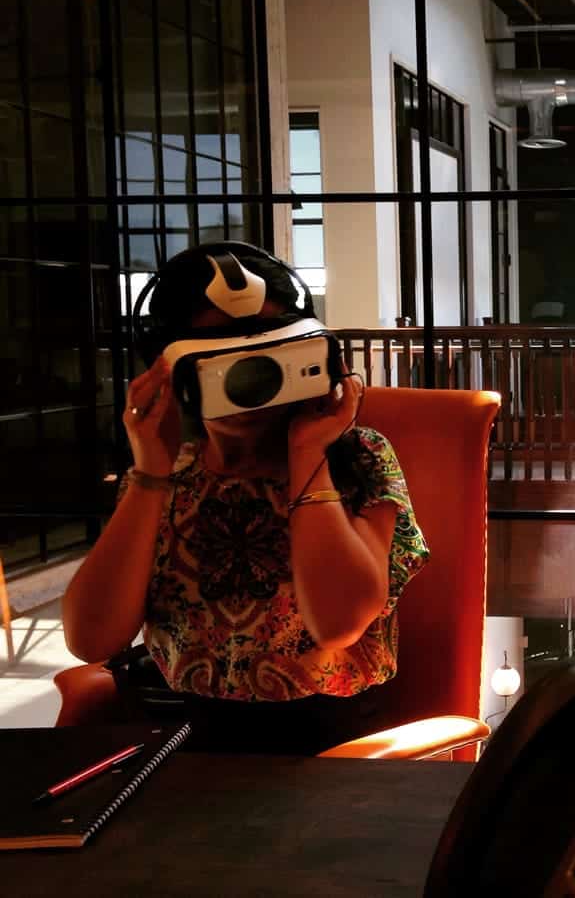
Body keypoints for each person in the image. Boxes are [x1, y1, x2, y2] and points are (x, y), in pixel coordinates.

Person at [62, 243, 429, 755]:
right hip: (178, 742)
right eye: (221, 363)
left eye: (267, 358)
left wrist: (308, 454)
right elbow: (92, 641)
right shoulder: (165, 472)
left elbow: (339, 622)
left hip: (329, 748)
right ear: (168, 371)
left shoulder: (358, 457)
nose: (251, 381)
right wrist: (150, 470)